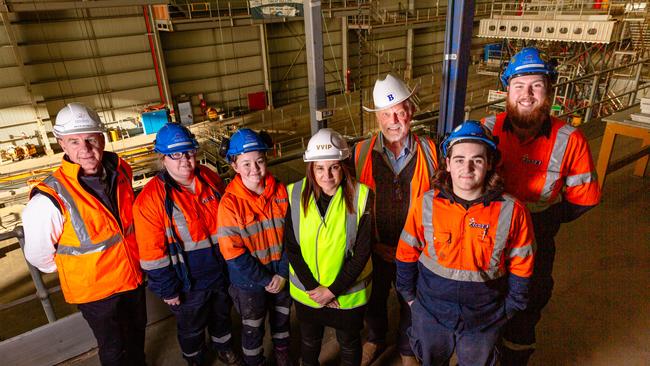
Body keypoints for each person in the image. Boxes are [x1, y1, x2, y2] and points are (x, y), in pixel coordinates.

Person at [482, 47, 602, 365]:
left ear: (548, 91)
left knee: (526, 306)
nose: (527, 94)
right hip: (487, 236)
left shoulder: (570, 139)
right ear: (507, 89)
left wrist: (547, 222)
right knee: (484, 302)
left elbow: (585, 198)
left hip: (537, 239)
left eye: (536, 85)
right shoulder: (486, 128)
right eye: (519, 86)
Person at [396, 120, 536, 366]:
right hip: (430, 311)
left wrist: (511, 307)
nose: (467, 168)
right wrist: (410, 299)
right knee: (430, 358)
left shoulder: (512, 211)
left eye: (477, 160)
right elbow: (406, 252)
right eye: (459, 159)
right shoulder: (426, 204)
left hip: (484, 317)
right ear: (448, 164)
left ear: (490, 163)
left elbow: (522, 265)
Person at [22, 103, 146, 365]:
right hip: (96, 292)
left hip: (132, 277)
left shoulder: (121, 170)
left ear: (102, 138)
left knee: (136, 334)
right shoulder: (49, 198)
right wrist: (79, 267)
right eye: (74, 141)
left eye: (91, 138)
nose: (85, 149)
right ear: (62, 145)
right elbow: (39, 256)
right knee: (113, 347)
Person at [133, 123, 241, 366]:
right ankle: (196, 359)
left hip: (221, 273)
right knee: (191, 327)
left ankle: (223, 347)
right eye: (176, 154)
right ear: (162, 158)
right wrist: (168, 290)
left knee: (222, 316)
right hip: (187, 283)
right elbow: (152, 255)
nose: (184, 160)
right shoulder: (150, 200)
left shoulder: (211, 179)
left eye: (189, 152)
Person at [355, 73, 438, 366]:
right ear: (377, 118)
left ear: (411, 112)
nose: (394, 120)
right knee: (374, 299)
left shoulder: (432, 151)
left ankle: (406, 349)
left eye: (399, 112)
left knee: (412, 303)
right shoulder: (360, 152)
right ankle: (375, 338)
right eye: (386, 114)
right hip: (375, 250)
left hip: (416, 252)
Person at [285, 128, 373, 366]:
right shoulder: (295, 194)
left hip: (346, 296)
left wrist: (332, 290)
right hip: (309, 293)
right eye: (319, 168)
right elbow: (291, 248)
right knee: (310, 343)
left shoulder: (361, 196)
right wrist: (315, 288)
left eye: (334, 167)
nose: (327, 175)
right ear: (311, 168)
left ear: (343, 166)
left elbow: (362, 253)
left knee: (349, 344)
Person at [216, 129, 291, 366]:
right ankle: (254, 361)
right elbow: (233, 252)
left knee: (282, 320)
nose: (254, 169)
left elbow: (292, 235)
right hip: (249, 283)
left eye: (259, 161)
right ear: (234, 165)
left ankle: (282, 353)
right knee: (252, 329)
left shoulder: (280, 190)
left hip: (280, 274)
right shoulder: (229, 204)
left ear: (266, 159)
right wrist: (266, 279)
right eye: (246, 163)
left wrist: (281, 273)